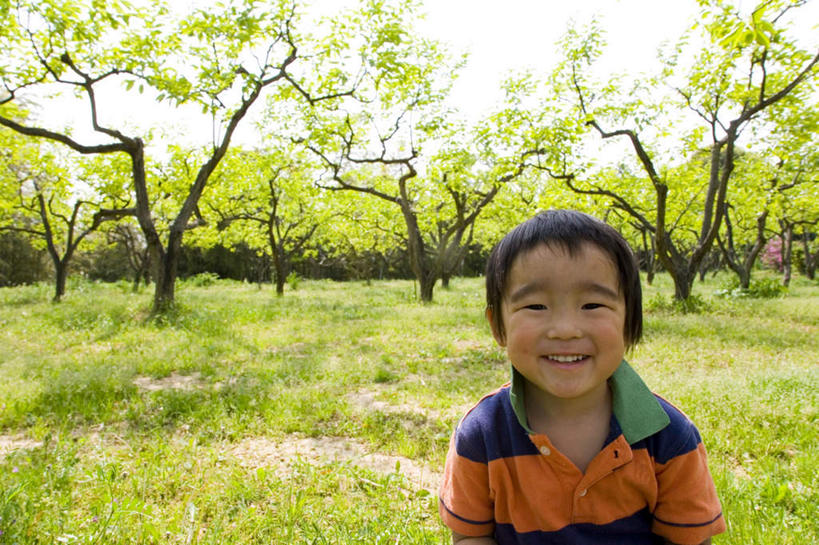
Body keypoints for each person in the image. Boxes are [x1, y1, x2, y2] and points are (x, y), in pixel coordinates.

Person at [438, 210, 726, 545]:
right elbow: (470, 537)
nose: (565, 330)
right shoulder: (482, 433)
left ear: (630, 321)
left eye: (591, 305)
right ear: (497, 327)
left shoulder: (670, 437)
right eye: (535, 306)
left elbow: (690, 540)